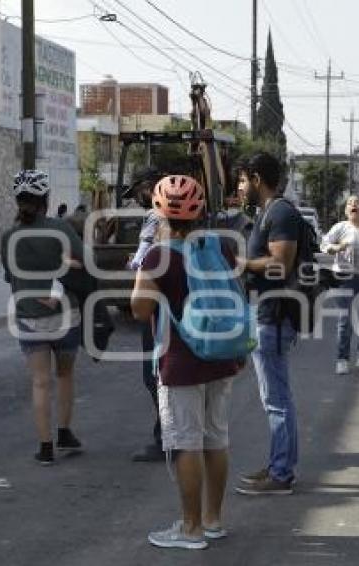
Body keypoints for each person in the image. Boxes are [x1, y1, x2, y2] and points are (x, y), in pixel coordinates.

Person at [131, 175, 241, 550]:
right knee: (216, 438)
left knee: (184, 443)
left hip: (180, 361)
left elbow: (139, 308)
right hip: (223, 356)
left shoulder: (158, 256)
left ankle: (190, 528)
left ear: (159, 213)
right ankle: (213, 520)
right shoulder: (221, 247)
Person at [1, 170, 85, 466]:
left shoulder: (10, 236)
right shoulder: (61, 229)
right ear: (46, 200)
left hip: (28, 318)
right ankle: (64, 432)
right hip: (66, 316)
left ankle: (45, 447)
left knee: (39, 383)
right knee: (64, 376)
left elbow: (9, 276)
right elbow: (83, 263)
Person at [235, 152, 300, 495]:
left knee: (276, 399)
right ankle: (280, 465)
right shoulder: (268, 213)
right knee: (276, 397)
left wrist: (242, 263)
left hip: (274, 316)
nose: (240, 187)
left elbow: (280, 265)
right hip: (264, 313)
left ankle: (281, 474)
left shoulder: (281, 213)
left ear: (257, 179)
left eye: (244, 180)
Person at [127, 167, 165, 463]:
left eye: (139, 191)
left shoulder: (155, 216)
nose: (138, 198)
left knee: (153, 373)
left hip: (155, 304)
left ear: (150, 186)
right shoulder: (184, 218)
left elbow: (142, 259)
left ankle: (165, 436)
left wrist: (134, 263)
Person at [321, 195, 359, 375]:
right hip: (343, 278)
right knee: (345, 320)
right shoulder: (340, 227)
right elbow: (324, 244)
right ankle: (342, 359)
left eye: (357, 203)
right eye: (349, 203)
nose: (353, 205)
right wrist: (337, 247)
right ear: (346, 210)